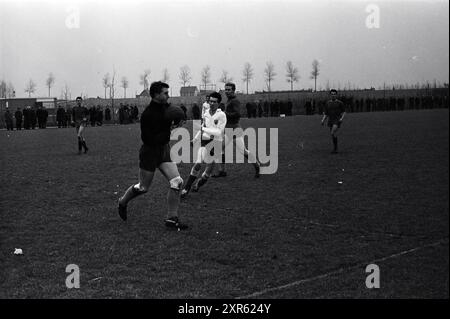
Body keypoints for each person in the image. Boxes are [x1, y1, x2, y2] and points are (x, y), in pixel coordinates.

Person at [117, 81, 188, 230]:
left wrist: (179, 119)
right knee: (143, 188)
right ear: (156, 95)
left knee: (177, 182)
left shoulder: (167, 108)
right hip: (150, 152)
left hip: (163, 150)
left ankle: (171, 218)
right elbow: (148, 139)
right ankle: (123, 201)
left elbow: (177, 116)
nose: (168, 95)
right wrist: (169, 131)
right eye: (165, 93)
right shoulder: (148, 114)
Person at [181, 92, 226, 198]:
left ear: (218, 103)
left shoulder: (221, 115)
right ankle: (186, 188)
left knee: (207, 172)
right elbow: (202, 127)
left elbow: (218, 132)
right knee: (198, 163)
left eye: (214, 102)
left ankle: (197, 185)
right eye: (210, 101)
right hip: (205, 141)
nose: (212, 103)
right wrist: (194, 139)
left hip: (216, 143)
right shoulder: (206, 113)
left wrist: (204, 129)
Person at [213, 82, 260, 178]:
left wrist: (224, 114)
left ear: (233, 90)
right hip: (228, 130)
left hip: (235, 130)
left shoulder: (235, 101)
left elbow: (237, 114)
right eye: (226, 89)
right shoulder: (229, 100)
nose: (227, 91)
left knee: (243, 151)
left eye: (229, 89)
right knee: (219, 149)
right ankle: (222, 171)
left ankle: (257, 165)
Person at [321, 89, 346, 154]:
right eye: (332, 94)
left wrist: (341, 119)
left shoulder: (340, 103)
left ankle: (335, 149)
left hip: (337, 119)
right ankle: (335, 148)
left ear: (336, 95)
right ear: (330, 95)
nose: (333, 95)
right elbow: (326, 113)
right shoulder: (328, 103)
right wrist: (323, 120)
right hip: (330, 120)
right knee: (333, 135)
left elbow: (344, 112)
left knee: (332, 132)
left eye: (334, 94)